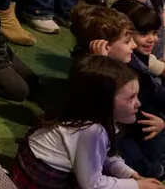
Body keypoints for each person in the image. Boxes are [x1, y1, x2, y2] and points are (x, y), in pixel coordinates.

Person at [11, 55, 163, 188]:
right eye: (131, 98)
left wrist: (130, 175)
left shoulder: (92, 117)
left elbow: (107, 156)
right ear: (104, 101)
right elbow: (92, 184)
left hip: (37, 167)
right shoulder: (92, 130)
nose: (138, 103)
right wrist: (136, 186)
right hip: (40, 177)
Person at [111, 0, 165, 178]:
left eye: (155, 33)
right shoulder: (126, 65)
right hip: (136, 135)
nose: (152, 39)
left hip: (150, 129)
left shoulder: (144, 59)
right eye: (143, 33)